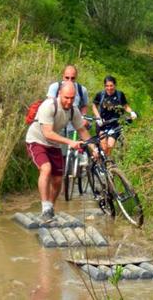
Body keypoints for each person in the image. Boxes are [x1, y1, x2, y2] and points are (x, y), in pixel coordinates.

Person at [25, 82, 95, 222]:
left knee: (57, 179)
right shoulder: (49, 106)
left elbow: (82, 130)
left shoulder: (74, 110)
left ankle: (50, 207)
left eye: (72, 98)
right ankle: (45, 208)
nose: (69, 101)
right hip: (37, 140)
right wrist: (70, 142)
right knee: (46, 169)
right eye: (66, 98)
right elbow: (48, 133)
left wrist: (95, 149)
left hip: (53, 144)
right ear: (59, 95)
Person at [92, 75, 137, 156]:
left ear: (115, 85)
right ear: (104, 86)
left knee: (110, 146)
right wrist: (97, 117)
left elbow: (125, 106)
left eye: (111, 86)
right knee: (104, 146)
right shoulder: (100, 95)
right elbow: (94, 106)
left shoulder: (120, 95)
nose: (109, 88)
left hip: (115, 125)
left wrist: (131, 112)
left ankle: (106, 165)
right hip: (102, 124)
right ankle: (99, 161)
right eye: (107, 86)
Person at [46, 64, 90, 139]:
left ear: (76, 77)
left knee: (75, 147)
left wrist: (84, 117)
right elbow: (50, 105)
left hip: (74, 126)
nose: (69, 80)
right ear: (63, 76)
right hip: (57, 125)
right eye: (67, 78)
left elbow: (84, 105)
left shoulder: (82, 90)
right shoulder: (55, 87)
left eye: (73, 78)